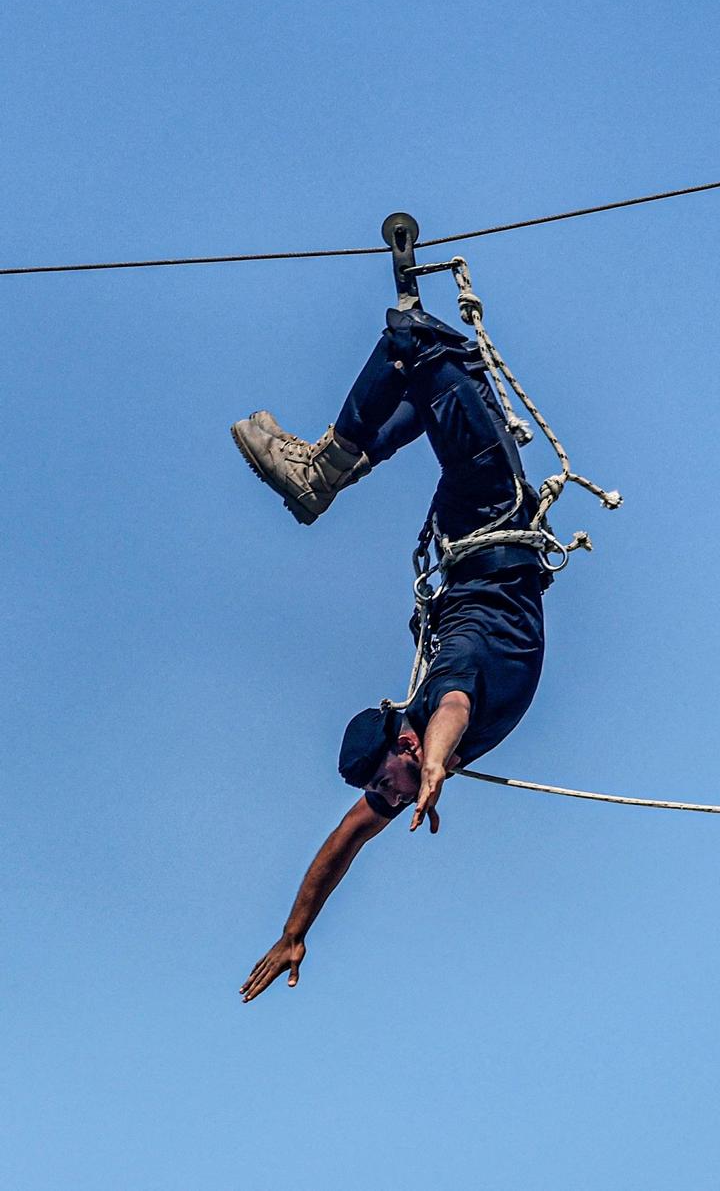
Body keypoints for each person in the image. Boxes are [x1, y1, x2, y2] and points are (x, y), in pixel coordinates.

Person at [235, 305, 549, 1002]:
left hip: (481, 511)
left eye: (387, 784)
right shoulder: (414, 752)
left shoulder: (440, 696)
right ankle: (337, 465)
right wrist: (295, 930)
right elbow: (343, 842)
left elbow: (455, 706)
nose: (388, 801)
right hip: (489, 521)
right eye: (385, 794)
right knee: (446, 364)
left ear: (404, 743)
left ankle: (321, 472)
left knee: (417, 344)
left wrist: (436, 762)